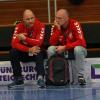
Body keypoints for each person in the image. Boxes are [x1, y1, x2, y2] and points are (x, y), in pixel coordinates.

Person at [47, 9, 87, 85]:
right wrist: (58, 29)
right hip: (63, 50)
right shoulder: (55, 26)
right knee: (50, 49)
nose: (57, 20)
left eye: (60, 18)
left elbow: (81, 42)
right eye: (56, 18)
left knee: (78, 49)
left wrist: (65, 47)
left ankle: (80, 76)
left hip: (76, 50)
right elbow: (52, 43)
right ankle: (53, 76)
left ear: (66, 18)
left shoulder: (75, 24)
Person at [8, 9, 45, 88]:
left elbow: (39, 42)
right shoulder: (19, 27)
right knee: (13, 51)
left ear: (35, 18)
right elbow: (13, 44)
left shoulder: (41, 25)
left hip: (36, 53)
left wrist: (25, 39)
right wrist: (28, 49)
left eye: (32, 18)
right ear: (23, 20)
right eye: (28, 19)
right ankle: (18, 79)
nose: (31, 21)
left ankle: (40, 78)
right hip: (25, 52)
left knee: (38, 49)